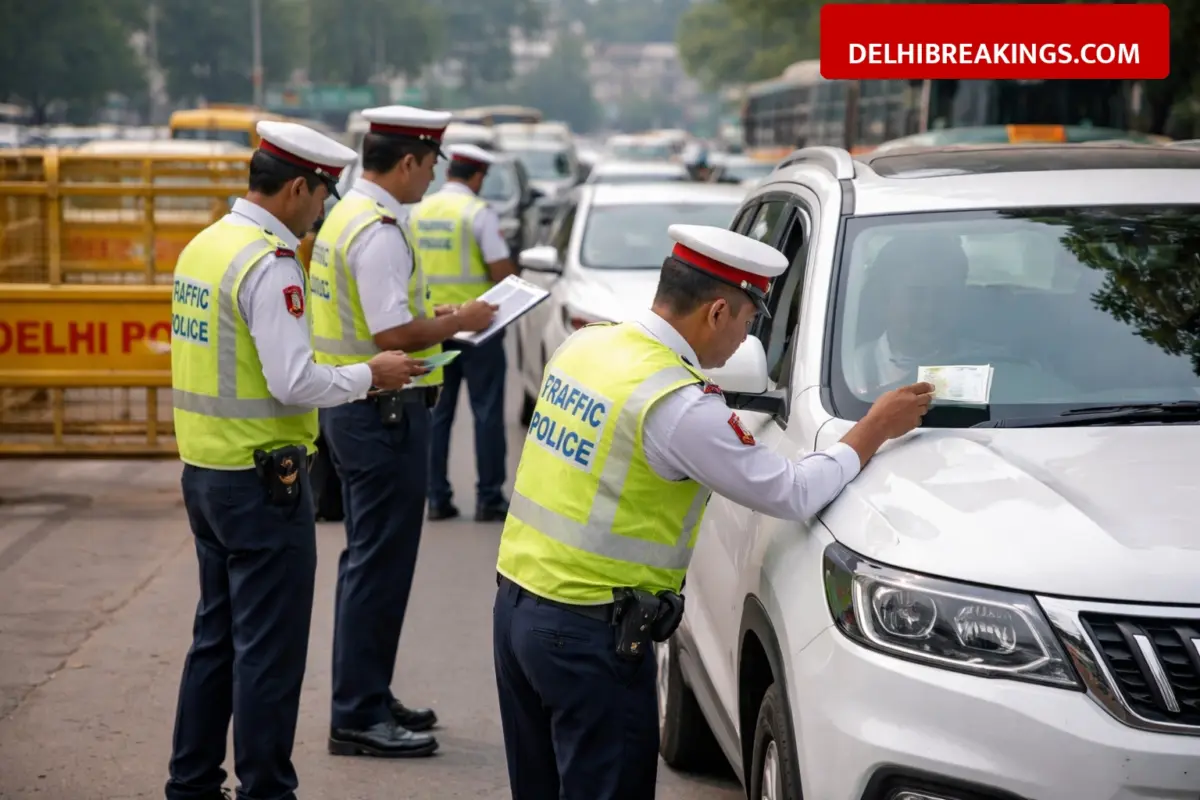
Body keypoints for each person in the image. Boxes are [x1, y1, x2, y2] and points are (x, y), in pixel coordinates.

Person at [491, 224, 934, 799]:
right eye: (750, 322)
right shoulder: (677, 405)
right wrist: (873, 428)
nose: (747, 340)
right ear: (718, 311)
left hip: (517, 612)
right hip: (588, 641)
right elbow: (792, 491)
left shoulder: (589, 346)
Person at [166, 120, 427, 800]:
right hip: (261, 484)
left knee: (216, 640)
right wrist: (371, 376)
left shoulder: (206, 246)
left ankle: (191, 782)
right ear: (298, 188)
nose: (324, 211)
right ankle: (266, 790)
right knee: (269, 655)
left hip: (206, 473)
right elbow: (294, 381)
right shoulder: (268, 262)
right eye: (322, 197)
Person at [308, 105, 498, 759]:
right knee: (378, 567)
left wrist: (435, 315)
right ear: (411, 161)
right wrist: (462, 320)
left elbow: (378, 317)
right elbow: (391, 335)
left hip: (358, 410)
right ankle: (358, 713)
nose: (430, 178)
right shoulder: (381, 229)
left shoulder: (348, 215)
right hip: (379, 414)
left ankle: (366, 692)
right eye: (429, 165)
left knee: (369, 563)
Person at [412, 143, 519, 523]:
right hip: (479, 328)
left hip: (430, 325)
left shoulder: (418, 211)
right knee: (487, 413)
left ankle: (436, 497)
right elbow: (500, 272)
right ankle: (489, 497)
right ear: (477, 177)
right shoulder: (478, 213)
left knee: (437, 414)